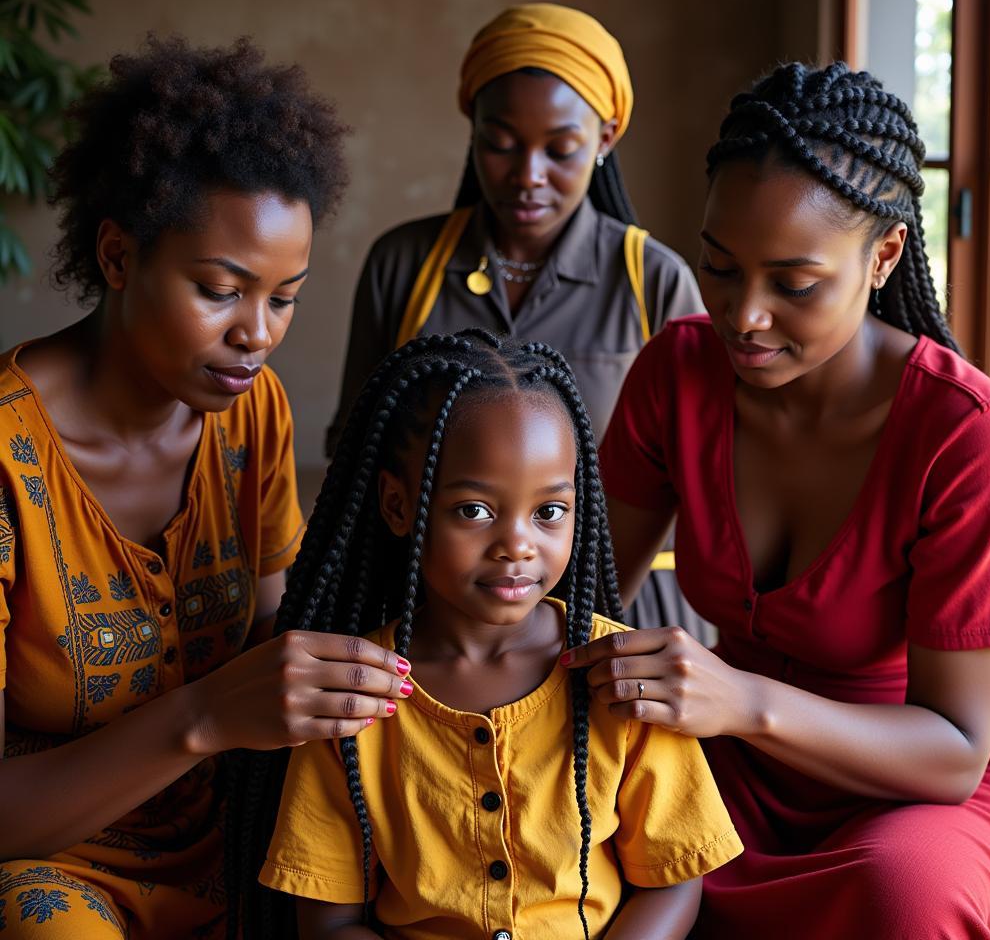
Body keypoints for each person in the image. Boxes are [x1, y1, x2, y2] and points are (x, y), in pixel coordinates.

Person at [564, 62, 990, 938]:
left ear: (883, 255)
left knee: (904, 898)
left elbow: (956, 753)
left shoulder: (968, 434)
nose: (744, 315)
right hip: (733, 770)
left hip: (914, 792)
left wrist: (741, 702)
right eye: (719, 268)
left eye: (795, 284)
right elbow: (580, 595)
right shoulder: (679, 371)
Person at [0, 37, 415, 940]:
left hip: (244, 837)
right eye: (220, 290)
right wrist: (200, 718)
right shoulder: (4, 459)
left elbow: (275, 630)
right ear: (118, 257)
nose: (256, 334)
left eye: (284, 297)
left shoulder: (249, 413)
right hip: (54, 867)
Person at [237, 330, 741, 939]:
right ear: (400, 506)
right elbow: (329, 920)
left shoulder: (623, 677)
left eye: (549, 511)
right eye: (474, 510)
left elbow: (673, 881)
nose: (518, 545)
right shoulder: (351, 696)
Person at [324, 2, 707, 636]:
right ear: (472, 130)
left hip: (625, 612)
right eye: (499, 145)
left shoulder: (655, 282)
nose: (528, 176)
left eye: (560, 150)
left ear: (605, 139)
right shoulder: (404, 263)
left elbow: (701, 480)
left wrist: (595, 610)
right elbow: (356, 448)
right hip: (435, 612)